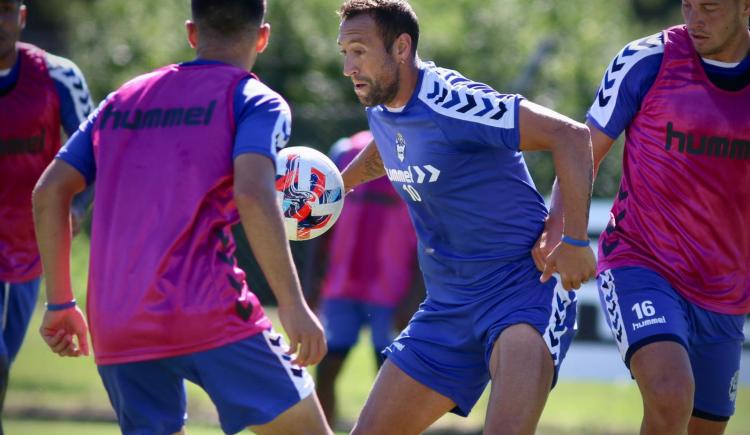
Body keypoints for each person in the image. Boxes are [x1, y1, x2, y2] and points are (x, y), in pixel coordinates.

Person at [31, 1, 333, 434]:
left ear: (192, 33)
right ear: (262, 37)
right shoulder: (254, 100)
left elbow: (48, 192)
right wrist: (292, 303)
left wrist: (60, 303)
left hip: (117, 319)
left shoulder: (122, 100)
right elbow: (251, 191)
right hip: (209, 309)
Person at [335, 1, 597, 434]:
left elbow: (571, 136)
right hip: (446, 306)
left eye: (359, 51)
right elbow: (389, 147)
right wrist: (339, 185)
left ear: (401, 47)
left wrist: (572, 239)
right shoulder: (380, 107)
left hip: (522, 293)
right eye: (344, 51)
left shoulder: (455, 103)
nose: (348, 66)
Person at [535, 1, 750, 433]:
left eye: (709, 7)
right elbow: (581, 150)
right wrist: (567, 234)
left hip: (726, 288)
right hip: (642, 263)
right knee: (670, 394)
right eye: (688, 4)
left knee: (700, 426)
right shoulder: (647, 60)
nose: (695, 20)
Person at [0, 0, 93, 430]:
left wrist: (72, 209)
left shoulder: (58, 77)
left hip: (24, 253)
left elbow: (97, 156)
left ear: (21, 16)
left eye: (3, 10)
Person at [306, 130, 422, 427]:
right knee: (328, 366)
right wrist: (311, 282)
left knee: (389, 375)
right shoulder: (345, 150)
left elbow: (429, 233)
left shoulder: (416, 155)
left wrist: (415, 295)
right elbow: (322, 218)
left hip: (392, 289)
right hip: (341, 284)